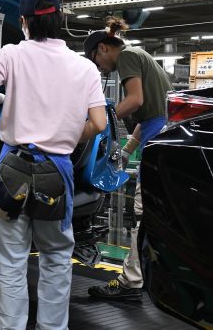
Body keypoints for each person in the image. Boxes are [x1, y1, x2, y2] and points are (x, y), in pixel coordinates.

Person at [0, 0, 107, 330]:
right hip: (56, 174)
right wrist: (70, 133)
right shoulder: (85, 67)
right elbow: (100, 123)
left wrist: (3, 101)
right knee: (57, 258)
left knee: (12, 260)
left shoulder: (12, 54)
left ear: (24, 22)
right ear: (59, 19)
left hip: (13, 169)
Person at [84, 18, 172, 301]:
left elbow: (134, 100)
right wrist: (125, 150)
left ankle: (130, 281)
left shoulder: (128, 57)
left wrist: (104, 120)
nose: (99, 67)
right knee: (154, 213)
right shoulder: (142, 55)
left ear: (103, 49)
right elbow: (146, 115)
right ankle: (148, 275)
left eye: (95, 59)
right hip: (157, 134)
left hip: (156, 138)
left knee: (142, 211)